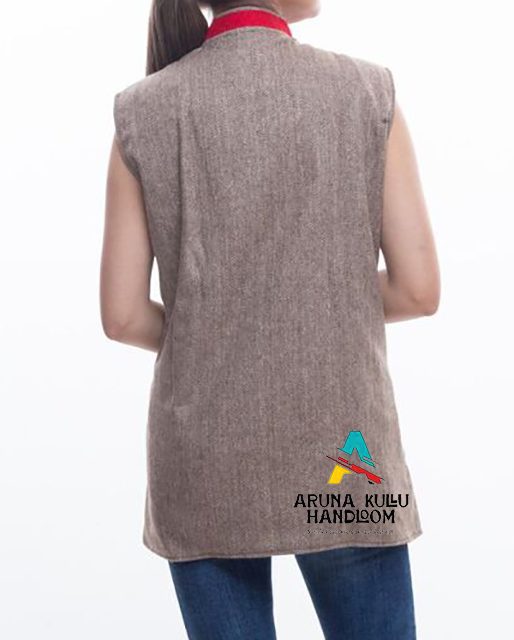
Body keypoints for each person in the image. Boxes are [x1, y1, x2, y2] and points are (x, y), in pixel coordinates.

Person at [100, 1, 440, 638]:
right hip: (345, 456)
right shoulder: (367, 92)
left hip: (204, 461)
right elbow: (417, 291)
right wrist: (313, 300)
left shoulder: (141, 111)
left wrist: (224, 316)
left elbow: (121, 317)